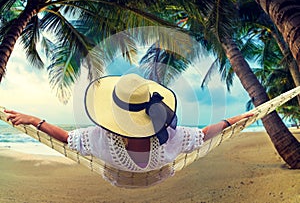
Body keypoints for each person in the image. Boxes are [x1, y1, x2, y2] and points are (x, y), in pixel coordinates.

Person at [5, 74, 253, 186]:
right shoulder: (171, 138)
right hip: (160, 175)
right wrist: (234, 120)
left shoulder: (100, 138)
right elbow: (205, 133)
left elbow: (67, 139)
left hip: (117, 180)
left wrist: (36, 121)